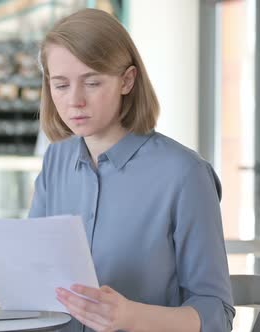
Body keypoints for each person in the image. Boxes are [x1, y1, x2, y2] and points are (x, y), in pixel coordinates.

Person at [29, 8, 234, 332]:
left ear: (127, 80)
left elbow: (217, 314)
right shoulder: (55, 161)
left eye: (92, 82)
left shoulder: (184, 174)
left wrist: (129, 317)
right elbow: (36, 274)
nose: (75, 100)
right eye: (61, 85)